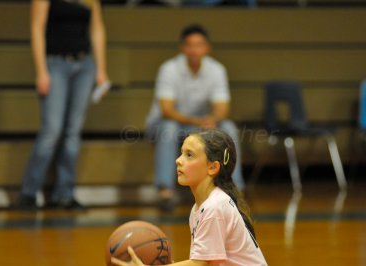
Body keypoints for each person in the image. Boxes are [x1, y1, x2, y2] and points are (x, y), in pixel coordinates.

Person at [112, 129, 268, 266]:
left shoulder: (214, 207)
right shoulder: (200, 207)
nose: (178, 160)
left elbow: (200, 264)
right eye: (181, 153)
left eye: (189, 155)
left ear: (213, 167)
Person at [16, 0, 109, 210]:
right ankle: (29, 193)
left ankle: (64, 194)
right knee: (52, 130)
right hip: (55, 63)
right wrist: (41, 71)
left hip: (84, 65)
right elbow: (37, 28)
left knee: (73, 132)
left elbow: (97, 29)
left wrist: (101, 69)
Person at [145, 24, 245, 211]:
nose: (194, 50)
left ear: (207, 47)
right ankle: (165, 191)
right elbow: (167, 109)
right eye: (190, 45)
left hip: (200, 126)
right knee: (169, 128)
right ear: (183, 48)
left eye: (199, 45)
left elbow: (223, 107)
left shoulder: (217, 70)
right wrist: (199, 122)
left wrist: (212, 119)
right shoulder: (169, 69)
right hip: (164, 124)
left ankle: (234, 188)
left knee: (228, 127)